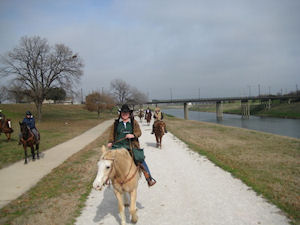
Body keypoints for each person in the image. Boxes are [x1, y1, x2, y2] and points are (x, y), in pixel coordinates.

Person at [107, 104, 156, 187]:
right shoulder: (116, 124)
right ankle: (106, 179)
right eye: (123, 112)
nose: (124, 114)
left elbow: (139, 132)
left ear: (129, 114)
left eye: (126, 113)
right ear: (120, 113)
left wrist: (133, 135)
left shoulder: (134, 122)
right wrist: (110, 141)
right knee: (107, 159)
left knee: (140, 158)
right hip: (118, 146)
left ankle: (149, 178)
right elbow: (111, 134)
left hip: (131, 145)